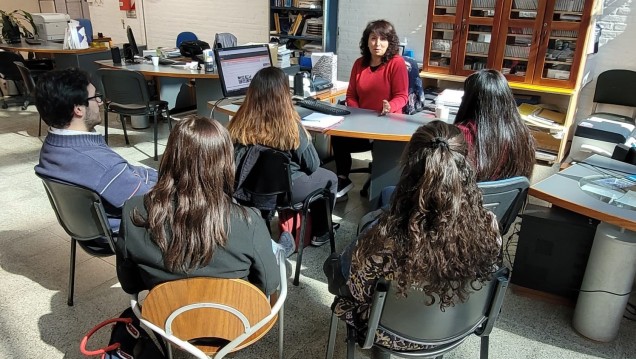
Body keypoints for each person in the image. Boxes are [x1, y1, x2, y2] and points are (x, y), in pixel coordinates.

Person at [329, 121, 501, 354]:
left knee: (337, 267)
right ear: (465, 167)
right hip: (456, 328)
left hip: (387, 334)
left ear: (408, 168)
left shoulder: (382, 240)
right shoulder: (489, 225)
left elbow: (358, 293)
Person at [116, 116, 280, 295]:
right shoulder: (249, 222)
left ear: (170, 157)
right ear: (225, 164)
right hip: (232, 320)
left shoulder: (134, 212)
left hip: (165, 320)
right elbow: (268, 285)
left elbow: (130, 285)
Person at [376, 69, 535, 208]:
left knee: (387, 193)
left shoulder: (458, 137)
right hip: (492, 219)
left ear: (469, 100)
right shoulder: (523, 137)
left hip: (455, 219)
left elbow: (429, 186)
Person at [34, 68, 156, 233]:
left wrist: (161, 174)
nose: (100, 101)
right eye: (94, 97)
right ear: (78, 109)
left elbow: (125, 175)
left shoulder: (52, 146)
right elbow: (152, 203)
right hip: (126, 232)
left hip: (86, 227)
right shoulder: (100, 164)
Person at [228, 66, 338, 247]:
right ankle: (322, 232)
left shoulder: (239, 121)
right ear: (284, 94)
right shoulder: (290, 124)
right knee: (330, 179)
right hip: (286, 191)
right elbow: (312, 164)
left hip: (248, 190)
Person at [332, 19, 409, 199]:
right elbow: (351, 95)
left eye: (383, 39)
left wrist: (390, 107)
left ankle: (381, 186)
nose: (377, 44)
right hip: (362, 125)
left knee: (384, 157)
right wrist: (359, 115)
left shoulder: (396, 63)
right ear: (367, 41)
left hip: (387, 125)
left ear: (390, 42)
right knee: (337, 135)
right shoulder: (359, 64)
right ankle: (343, 178)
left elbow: (402, 96)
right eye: (373, 38)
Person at [454, 69, 535, 182]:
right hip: (507, 199)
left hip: (468, 198)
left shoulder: (460, 135)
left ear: (470, 99)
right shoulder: (522, 133)